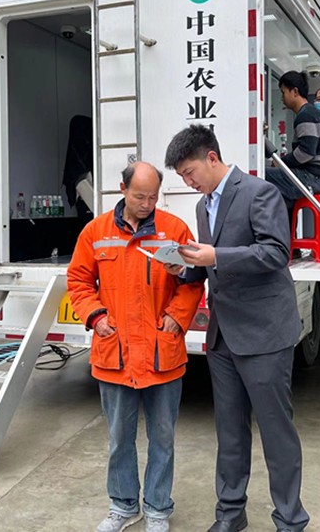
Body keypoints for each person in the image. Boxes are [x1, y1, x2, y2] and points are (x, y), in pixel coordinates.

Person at [164, 125, 309, 532]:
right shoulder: (203, 207)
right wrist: (184, 267)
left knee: (276, 432)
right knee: (229, 432)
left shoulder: (259, 193)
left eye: (190, 173)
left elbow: (275, 253)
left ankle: (290, 520)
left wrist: (216, 255)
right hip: (223, 336)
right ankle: (230, 514)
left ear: (212, 158)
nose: (188, 183)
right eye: (182, 177)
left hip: (264, 333)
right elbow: (209, 266)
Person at [67, 162, 204, 532]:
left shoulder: (174, 230)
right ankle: (123, 505)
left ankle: (158, 508)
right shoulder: (95, 232)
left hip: (162, 353)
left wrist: (177, 316)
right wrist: (96, 316)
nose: (147, 204)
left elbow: (193, 281)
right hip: (116, 353)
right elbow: (78, 281)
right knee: (118, 439)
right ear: (122, 189)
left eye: (153, 197)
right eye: (140, 196)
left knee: (163, 439)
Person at [265, 71, 320, 213]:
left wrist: (281, 162)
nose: (282, 98)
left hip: (313, 178)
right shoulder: (311, 113)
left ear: (295, 91)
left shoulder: (306, 115)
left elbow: (306, 153)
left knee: (260, 174)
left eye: (283, 92)